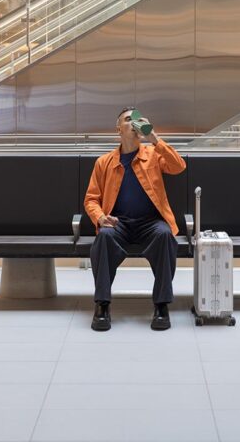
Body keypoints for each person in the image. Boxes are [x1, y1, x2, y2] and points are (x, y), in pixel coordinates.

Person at [84, 107, 186, 331]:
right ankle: (102, 304)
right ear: (118, 129)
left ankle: (161, 305)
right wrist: (101, 218)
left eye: (138, 119)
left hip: (150, 222)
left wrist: (155, 138)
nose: (135, 123)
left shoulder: (153, 155)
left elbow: (179, 166)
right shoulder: (104, 162)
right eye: (129, 119)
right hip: (117, 222)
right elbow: (91, 199)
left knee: (165, 235)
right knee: (103, 239)